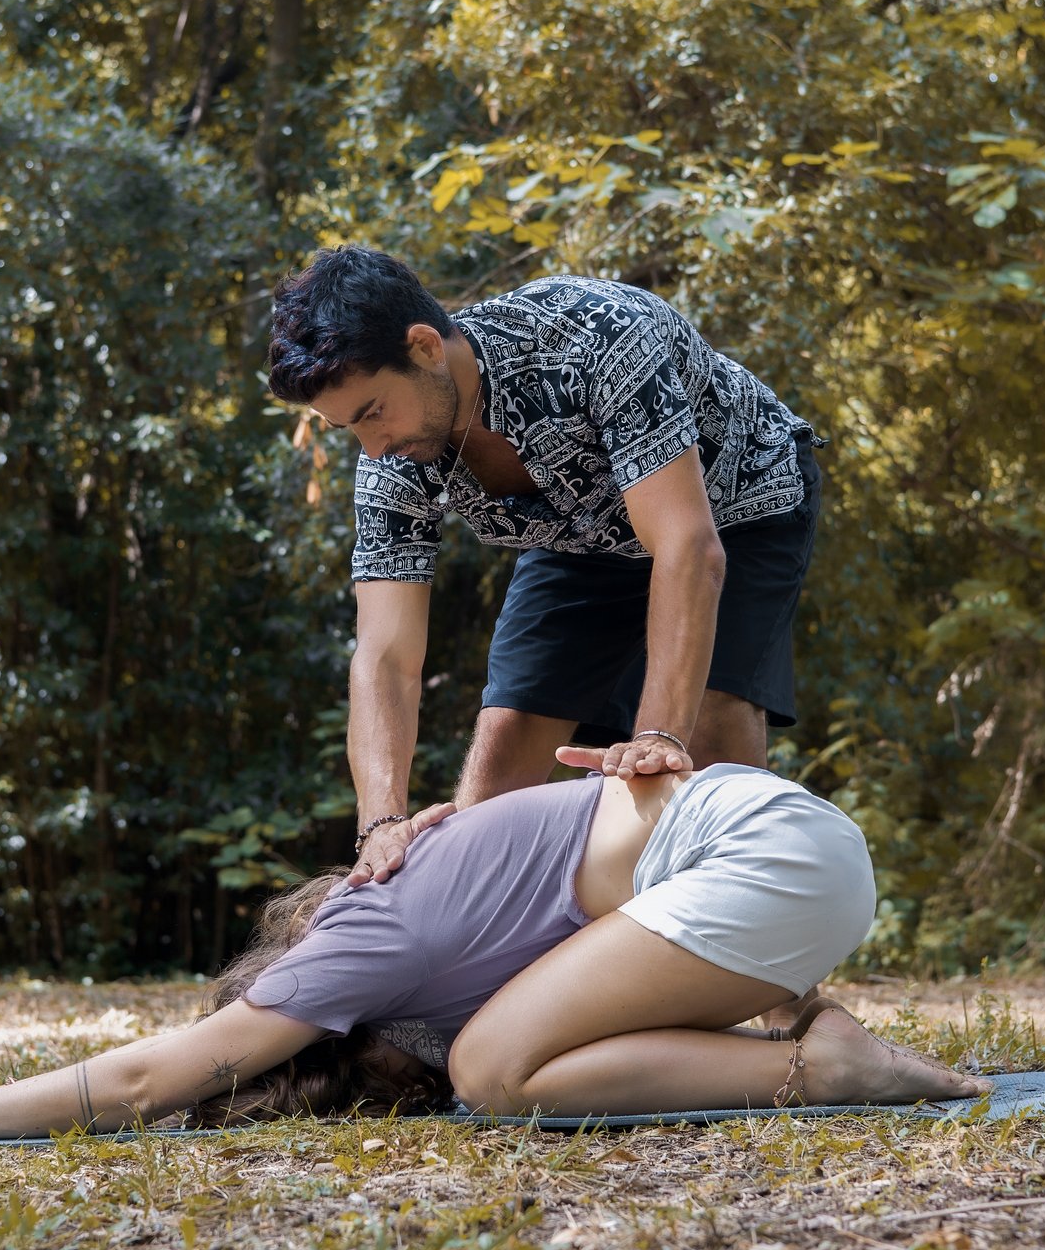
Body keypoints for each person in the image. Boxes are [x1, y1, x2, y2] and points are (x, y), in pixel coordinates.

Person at [0, 759, 985, 1144]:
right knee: (514, 1054)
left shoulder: (362, 931)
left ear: (296, 977)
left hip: (763, 855)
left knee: (498, 1073)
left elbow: (153, 1076)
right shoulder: (414, 903)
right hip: (790, 860)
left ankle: (823, 1068)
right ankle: (804, 1041)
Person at [264, 248, 821, 887]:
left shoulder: (601, 336)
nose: (373, 447)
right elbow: (385, 655)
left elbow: (686, 548)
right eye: (347, 429)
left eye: (372, 413)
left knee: (710, 724)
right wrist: (380, 822)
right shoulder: (393, 460)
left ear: (423, 348)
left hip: (730, 505)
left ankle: (768, 973)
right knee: (502, 750)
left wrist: (660, 733)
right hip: (578, 538)